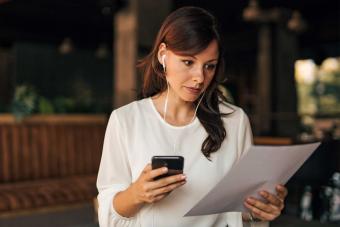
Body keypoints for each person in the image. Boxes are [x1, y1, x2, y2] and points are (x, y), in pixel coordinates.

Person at [96, 6, 287, 227]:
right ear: (163, 56)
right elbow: (109, 213)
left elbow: (238, 214)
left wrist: (260, 211)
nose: (199, 77)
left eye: (209, 66)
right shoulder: (125, 120)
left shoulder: (234, 121)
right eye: (188, 62)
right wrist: (136, 194)